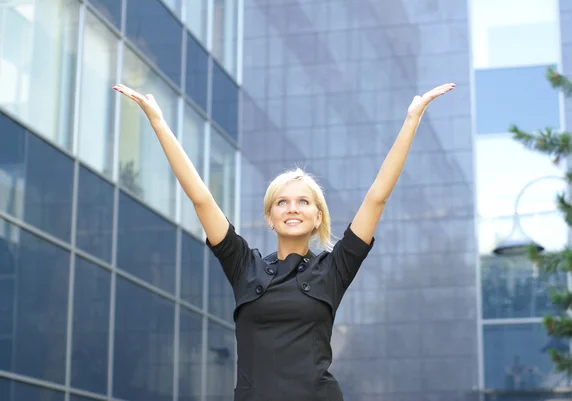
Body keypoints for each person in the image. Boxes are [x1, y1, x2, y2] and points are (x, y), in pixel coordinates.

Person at [113, 81, 455, 401]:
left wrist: (412, 119)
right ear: (270, 217)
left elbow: (377, 198)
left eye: (304, 202)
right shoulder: (243, 266)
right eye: (282, 202)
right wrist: (157, 120)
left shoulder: (333, 269)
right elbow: (201, 198)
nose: (293, 208)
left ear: (318, 217)